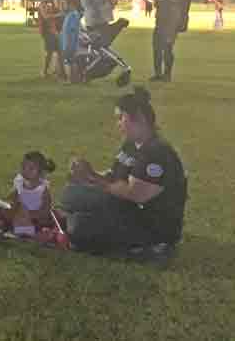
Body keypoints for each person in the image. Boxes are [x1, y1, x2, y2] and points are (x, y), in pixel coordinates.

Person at [62, 88, 187, 255]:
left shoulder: (157, 153)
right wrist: (87, 174)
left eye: (121, 117)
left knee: (78, 225)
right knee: (71, 193)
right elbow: (113, 177)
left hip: (151, 226)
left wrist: (93, 178)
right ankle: (77, 220)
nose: (118, 123)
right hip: (127, 210)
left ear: (140, 119)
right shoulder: (130, 144)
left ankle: (151, 246)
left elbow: (135, 194)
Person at [0, 152, 56, 238]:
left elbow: (45, 212)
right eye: (23, 167)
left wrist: (29, 214)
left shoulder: (42, 190)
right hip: (17, 217)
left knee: (22, 218)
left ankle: (11, 230)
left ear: (40, 172)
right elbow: (12, 198)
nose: (26, 171)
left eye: (31, 169)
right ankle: (6, 228)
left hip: (33, 221)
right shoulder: (20, 184)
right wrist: (4, 203)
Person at [151, 0, 185, 82]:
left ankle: (167, 75)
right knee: (157, 51)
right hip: (159, 27)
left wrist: (170, 33)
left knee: (167, 51)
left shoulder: (171, 0)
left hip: (168, 28)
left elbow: (174, 17)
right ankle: (158, 74)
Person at [37, 0, 66, 80]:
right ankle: (44, 72)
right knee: (49, 52)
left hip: (54, 31)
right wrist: (58, 15)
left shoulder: (51, 4)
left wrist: (60, 10)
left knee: (60, 52)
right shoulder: (42, 5)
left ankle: (60, 72)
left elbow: (59, 12)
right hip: (47, 32)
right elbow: (46, 17)